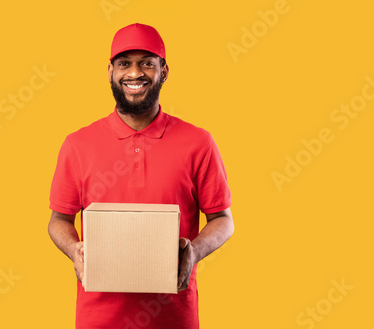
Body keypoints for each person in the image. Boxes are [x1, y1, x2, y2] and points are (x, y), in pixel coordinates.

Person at [48, 23, 234, 329]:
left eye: (147, 63)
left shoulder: (198, 142)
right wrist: (73, 249)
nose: (135, 73)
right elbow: (59, 220)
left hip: (174, 316)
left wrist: (195, 252)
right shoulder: (78, 144)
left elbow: (223, 219)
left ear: (164, 70)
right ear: (110, 71)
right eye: (124, 64)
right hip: (98, 318)